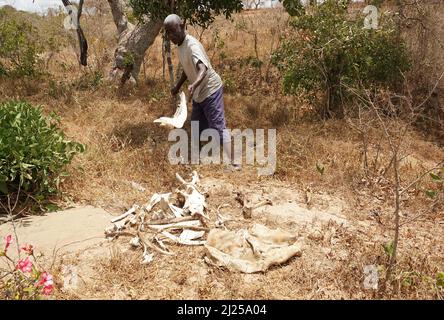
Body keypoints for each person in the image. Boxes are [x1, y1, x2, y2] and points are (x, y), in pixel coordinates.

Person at [164, 14, 240, 170]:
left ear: (183, 26)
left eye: (174, 31)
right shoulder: (180, 45)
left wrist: (193, 85)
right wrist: (178, 86)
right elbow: (187, 69)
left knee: (218, 126)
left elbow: (202, 69)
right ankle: (198, 157)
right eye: (168, 33)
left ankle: (235, 162)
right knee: (196, 126)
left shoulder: (192, 45)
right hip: (199, 91)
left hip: (210, 89)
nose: (171, 36)